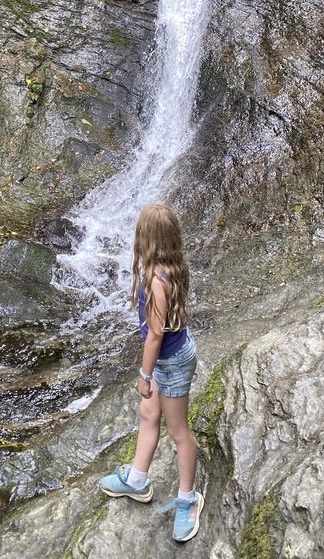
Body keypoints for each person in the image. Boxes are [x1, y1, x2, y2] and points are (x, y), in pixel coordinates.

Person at [99, 203, 203, 542]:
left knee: (178, 432)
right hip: (169, 358)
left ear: (145, 240)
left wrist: (145, 376)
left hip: (169, 363)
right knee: (148, 414)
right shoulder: (170, 267)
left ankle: (188, 500)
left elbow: (155, 334)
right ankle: (137, 479)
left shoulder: (157, 281)